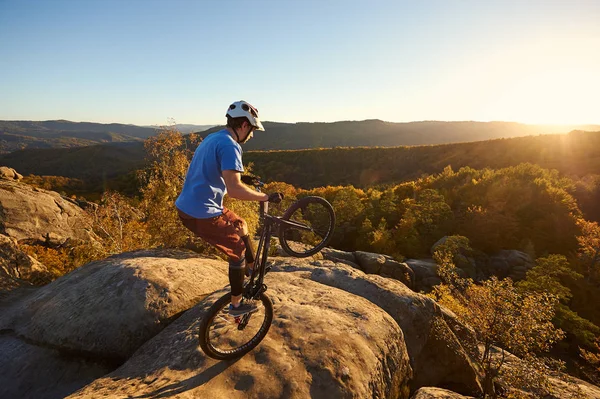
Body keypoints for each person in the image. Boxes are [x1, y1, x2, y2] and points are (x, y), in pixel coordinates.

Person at [175, 100, 283, 317]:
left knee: (240, 224)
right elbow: (234, 190)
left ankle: (252, 268)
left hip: (193, 206)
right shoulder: (230, 145)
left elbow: (216, 170)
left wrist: (245, 177)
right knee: (238, 251)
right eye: (252, 130)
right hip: (201, 213)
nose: (251, 135)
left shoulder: (214, 138)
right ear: (243, 126)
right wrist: (264, 197)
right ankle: (236, 305)